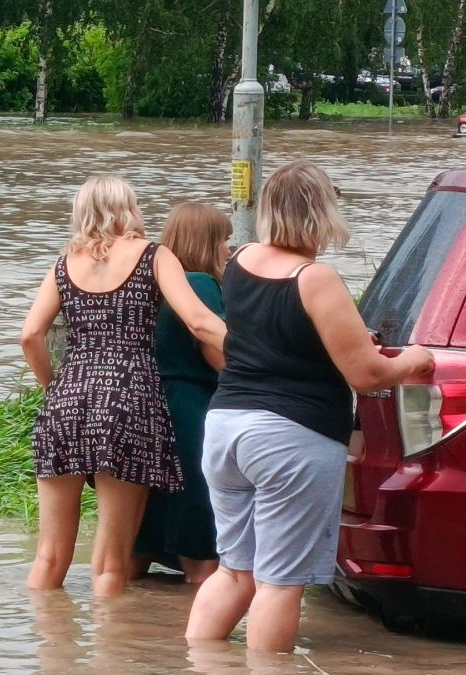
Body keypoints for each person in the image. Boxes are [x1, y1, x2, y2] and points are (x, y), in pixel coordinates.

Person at [184, 160, 434, 652]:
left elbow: (273, 335)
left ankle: (197, 661)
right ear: (320, 212)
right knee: (279, 581)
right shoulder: (315, 279)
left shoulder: (241, 260)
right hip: (289, 438)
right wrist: (412, 361)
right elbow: (366, 374)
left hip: (226, 427)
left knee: (236, 570)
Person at [20, 175, 228, 598]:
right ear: (127, 209)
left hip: (67, 399)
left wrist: (54, 388)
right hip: (129, 403)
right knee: (111, 564)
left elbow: (30, 335)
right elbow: (199, 321)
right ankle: (112, 654)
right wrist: (262, 356)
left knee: (49, 556)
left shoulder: (63, 265)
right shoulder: (153, 256)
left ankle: (47, 649)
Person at [131, 203, 231, 584]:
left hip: (144, 405)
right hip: (189, 407)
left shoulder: (144, 283)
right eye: (223, 240)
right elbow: (218, 356)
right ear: (206, 243)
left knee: (135, 547)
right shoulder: (201, 284)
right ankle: (192, 638)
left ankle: (123, 630)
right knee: (200, 554)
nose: (227, 249)